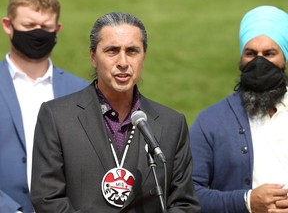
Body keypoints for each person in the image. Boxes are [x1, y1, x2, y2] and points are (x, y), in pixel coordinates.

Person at [30, 12, 201, 213]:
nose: (123, 62)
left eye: (132, 51)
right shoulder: (56, 117)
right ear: (93, 56)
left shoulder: (172, 124)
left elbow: (184, 204)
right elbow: (47, 199)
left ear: (143, 57)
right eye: (112, 51)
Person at [189, 5, 288, 213]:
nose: (259, 62)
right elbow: (188, 194)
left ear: (284, 59)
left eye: (269, 53)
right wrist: (247, 201)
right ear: (241, 60)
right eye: (251, 53)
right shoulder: (210, 122)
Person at [0, 0, 89, 212]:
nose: (37, 33)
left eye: (45, 27)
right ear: (7, 25)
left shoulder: (84, 92)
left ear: (57, 29)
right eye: (29, 26)